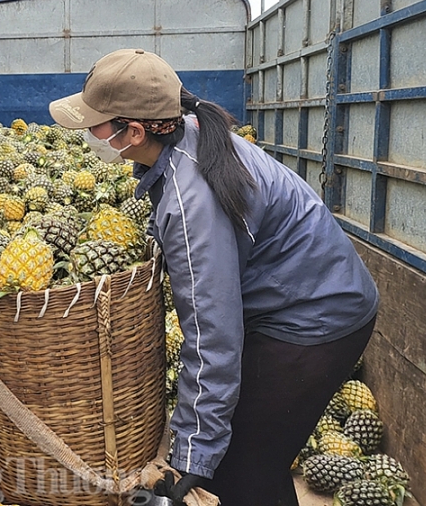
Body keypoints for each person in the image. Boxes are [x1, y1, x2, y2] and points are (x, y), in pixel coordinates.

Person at [48, 48, 379, 506]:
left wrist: (190, 455)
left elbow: (211, 335)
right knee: (253, 461)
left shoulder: (193, 202)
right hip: (300, 298)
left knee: (239, 471)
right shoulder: (188, 132)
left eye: (95, 125)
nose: (89, 133)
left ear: (135, 131)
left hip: (315, 320)